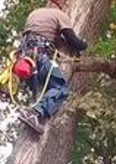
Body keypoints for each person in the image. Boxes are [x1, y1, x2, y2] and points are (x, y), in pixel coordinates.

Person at [17, 0, 88, 134]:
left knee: (38, 94)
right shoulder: (58, 14)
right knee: (60, 88)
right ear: (61, 4)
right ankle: (35, 114)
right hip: (41, 55)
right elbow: (73, 40)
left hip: (26, 59)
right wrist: (84, 45)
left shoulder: (34, 14)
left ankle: (33, 115)